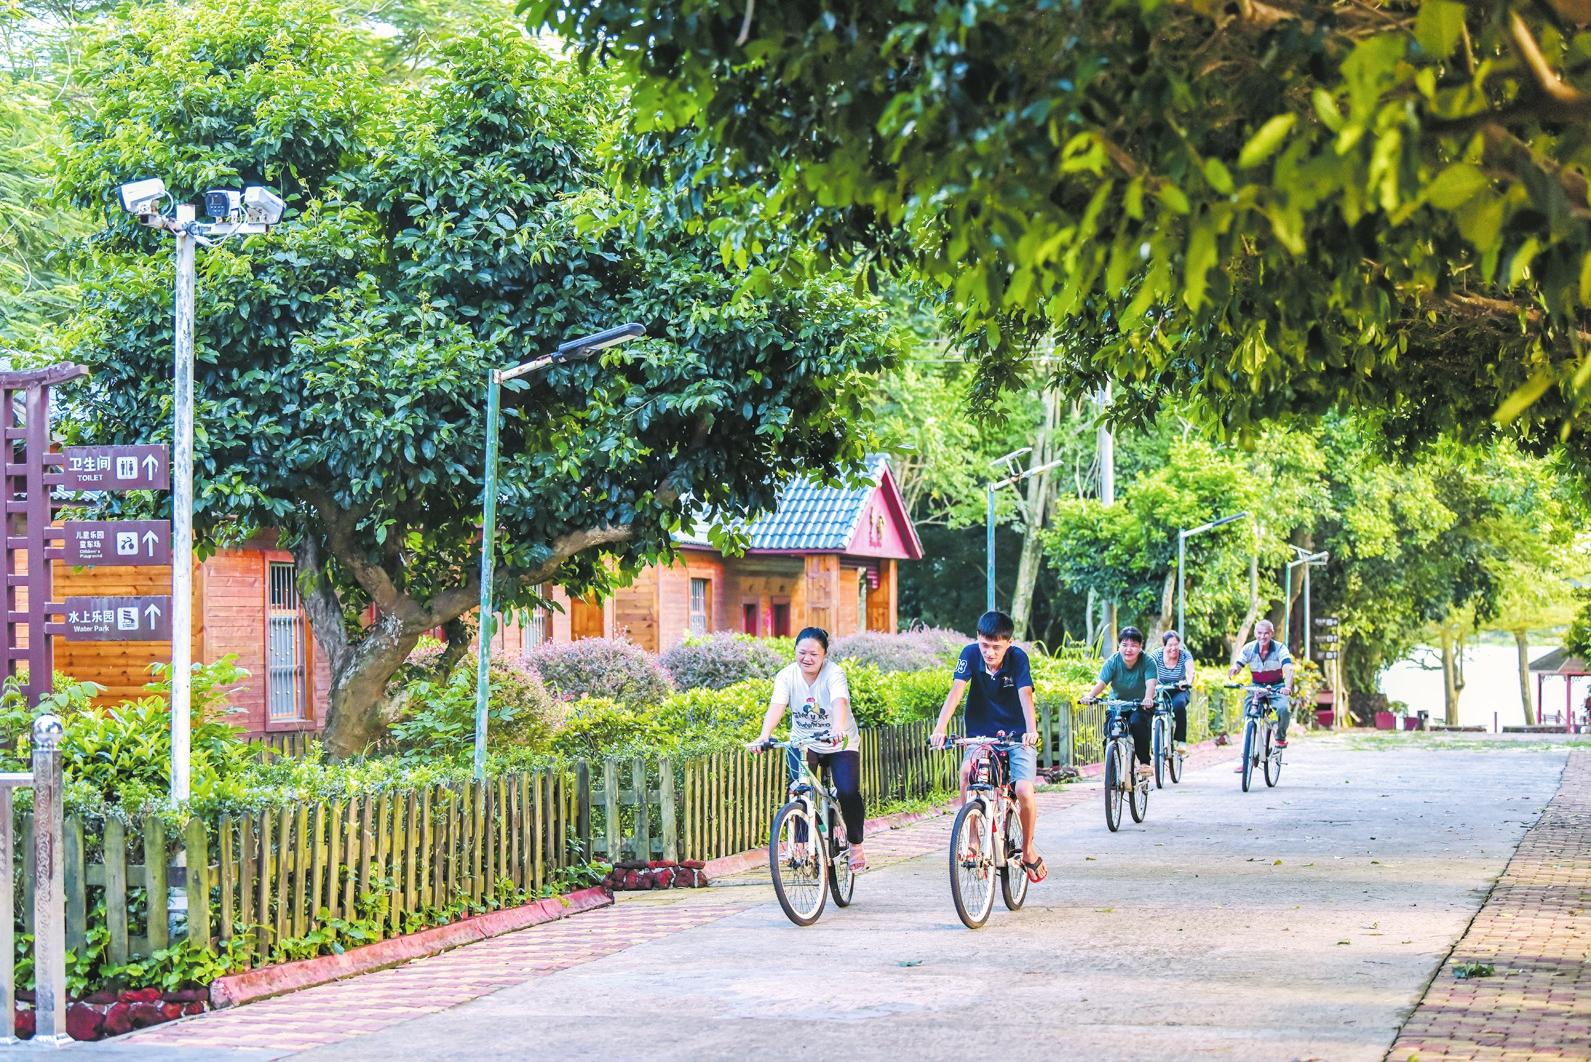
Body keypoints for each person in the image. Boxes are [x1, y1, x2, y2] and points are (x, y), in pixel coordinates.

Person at [930, 610, 1046, 883]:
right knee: (966, 773)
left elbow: (1026, 693)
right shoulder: (969, 654)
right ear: (977, 639)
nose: (989, 652)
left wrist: (1031, 730)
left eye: (996, 647)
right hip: (981, 733)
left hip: (1017, 735)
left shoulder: (1018, 658)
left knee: (1023, 790)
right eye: (984, 645)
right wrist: (940, 728)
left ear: (1009, 643)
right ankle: (971, 837)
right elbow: (956, 691)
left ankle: (1028, 849)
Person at [749, 627, 866, 871]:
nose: (807, 658)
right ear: (795, 651)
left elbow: (840, 702)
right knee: (799, 790)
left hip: (839, 742)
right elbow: (777, 706)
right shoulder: (787, 676)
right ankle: (802, 846)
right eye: (802, 653)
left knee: (847, 791)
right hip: (804, 742)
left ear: (824, 655)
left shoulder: (834, 673)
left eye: (814, 654)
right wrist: (764, 735)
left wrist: (837, 728)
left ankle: (856, 844)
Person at [1082, 627, 1158, 781]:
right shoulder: (1113, 661)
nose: (1128, 649)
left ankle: (1144, 763)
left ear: (1140, 647)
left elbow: (1151, 684)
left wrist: (1148, 698)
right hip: (1117, 705)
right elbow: (1102, 683)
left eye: (1133, 645)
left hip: (1140, 705)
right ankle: (1112, 772)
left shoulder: (1148, 662)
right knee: (1110, 732)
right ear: (1119, 646)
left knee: (1137, 723)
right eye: (1124, 645)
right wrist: (1090, 696)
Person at [1228, 619, 1295, 757]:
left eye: (1266, 633)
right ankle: (1248, 749)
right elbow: (1239, 663)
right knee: (1249, 713)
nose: (1262, 636)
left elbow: (1288, 668)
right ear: (1255, 633)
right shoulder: (1248, 648)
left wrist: (1287, 687)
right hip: (1257, 687)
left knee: (1283, 709)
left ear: (1272, 634)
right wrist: (1234, 669)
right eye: (1259, 633)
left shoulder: (1280, 648)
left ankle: (1280, 737)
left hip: (1276, 686)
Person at [1151, 629, 1195, 756]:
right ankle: (1151, 741)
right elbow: (1147, 670)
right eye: (1170, 645)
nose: (1173, 648)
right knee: (1148, 708)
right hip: (1160, 689)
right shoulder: (1156, 655)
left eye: (1176, 645)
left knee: (1179, 705)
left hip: (1179, 689)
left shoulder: (1185, 655)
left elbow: (1191, 672)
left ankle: (1181, 741)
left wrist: (1187, 682)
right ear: (1164, 645)